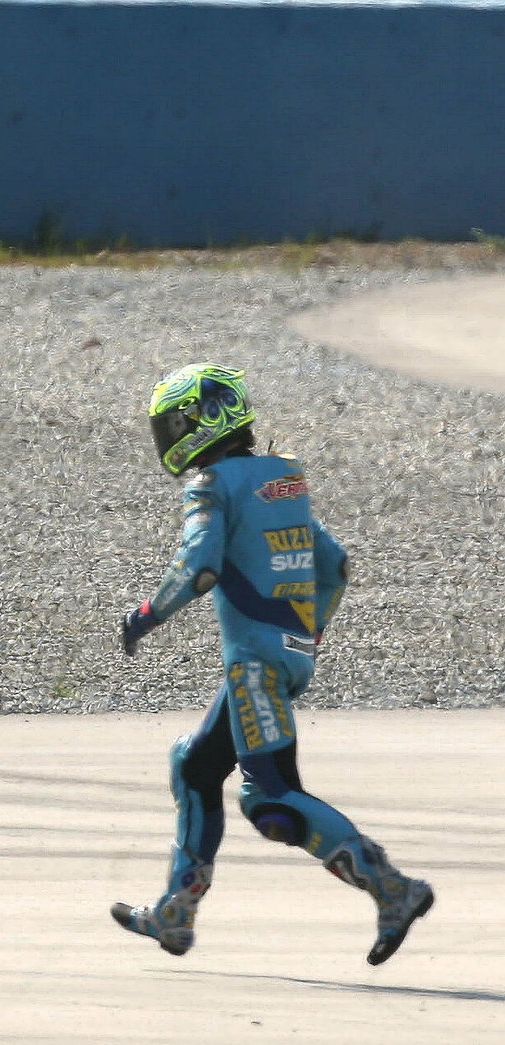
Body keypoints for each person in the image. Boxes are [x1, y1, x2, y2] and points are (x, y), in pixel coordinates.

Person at [110, 363, 433, 966]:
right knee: (195, 766)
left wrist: (146, 615)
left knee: (270, 799)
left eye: (174, 424)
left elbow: (199, 567)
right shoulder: (282, 478)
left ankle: (393, 888)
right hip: (282, 656)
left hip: (254, 666)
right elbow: (334, 566)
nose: (167, 437)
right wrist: (307, 635)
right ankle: (176, 911)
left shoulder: (211, 484)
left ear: (204, 420)